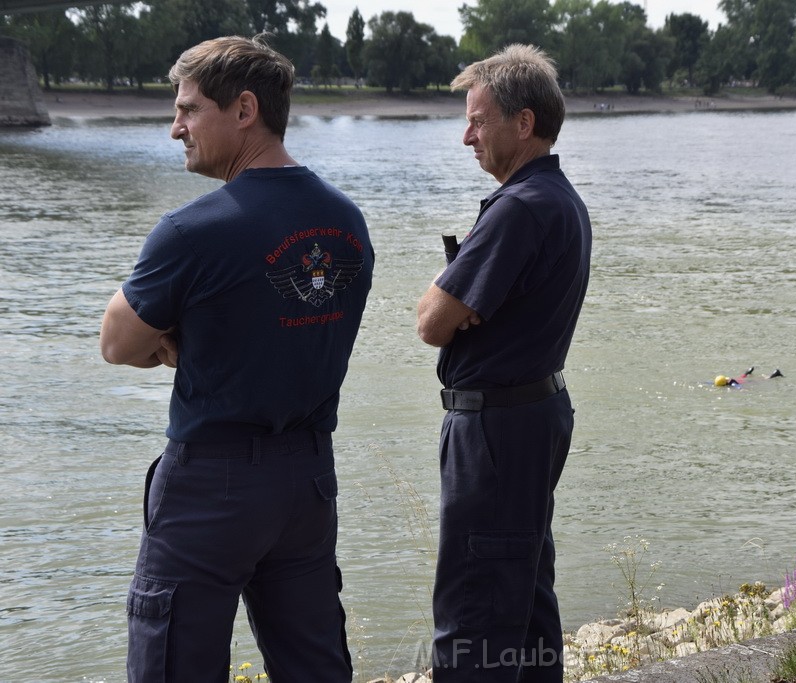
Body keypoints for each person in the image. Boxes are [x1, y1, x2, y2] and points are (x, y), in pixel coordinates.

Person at [99, 34, 373, 682]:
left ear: (244, 109)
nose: (175, 128)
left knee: (173, 665)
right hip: (307, 483)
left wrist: (170, 345)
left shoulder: (194, 230)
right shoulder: (348, 223)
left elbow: (115, 341)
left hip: (211, 487)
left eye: (189, 109)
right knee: (315, 666)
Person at [416, 44, 592, 683]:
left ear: (523, 124)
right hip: (533, 412)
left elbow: (431, 323)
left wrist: (449, 292)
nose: (467, 136)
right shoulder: (558, 198)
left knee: (475, 606)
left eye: (478, 120)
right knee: (524, 594)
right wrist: (460, 297)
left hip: (495, 428)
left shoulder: (518, 208)